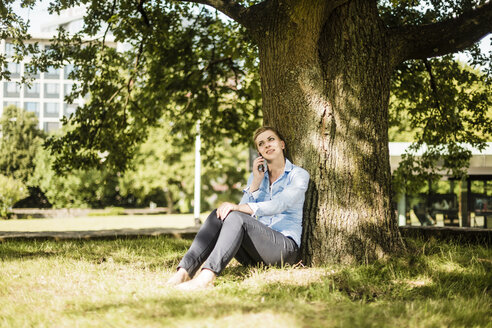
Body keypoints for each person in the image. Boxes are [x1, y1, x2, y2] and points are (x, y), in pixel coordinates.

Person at [167, 126, 310, 290]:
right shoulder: (257, 176)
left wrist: (237, 207)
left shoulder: (298, 175)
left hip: (283, 250)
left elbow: (280, 204)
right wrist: (256, 182)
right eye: (261, 144)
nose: (267, 145)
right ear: (259, 152)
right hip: (255, 254)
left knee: (235, 215)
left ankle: (206, 277)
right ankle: (184, 272)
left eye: (271, 139)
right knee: (220, 214)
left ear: (282, 144)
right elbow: (238, 211)